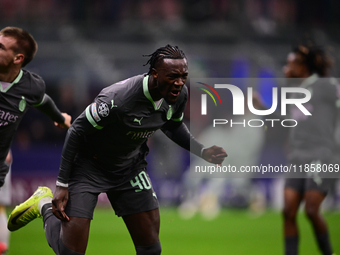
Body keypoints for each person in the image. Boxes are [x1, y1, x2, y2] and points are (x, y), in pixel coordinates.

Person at [7, 44, 227, 255]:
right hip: (88, 167)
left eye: (183, 77)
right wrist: (62, 184)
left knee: (151, 248)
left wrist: (202, 151)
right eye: (172, 77)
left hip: (129, 169)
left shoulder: (178, 95)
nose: (179, 83)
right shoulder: (118, 99)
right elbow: (76, 130)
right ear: (155, 74)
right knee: (69, 252)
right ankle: (43, 204)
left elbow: (172, 125)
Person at [0, 26, 72, 254]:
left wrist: (60, 118)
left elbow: (42, 100)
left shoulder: (30, 86)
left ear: (17, 58)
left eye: (1, 47)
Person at [281, 44, 337, 255]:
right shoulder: (295, 92)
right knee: (288, 211)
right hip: (297, 157)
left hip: (321, 155)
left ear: (303, 65)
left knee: (311, 210)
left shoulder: (324, 86)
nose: (286, 68)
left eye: (290, 64)